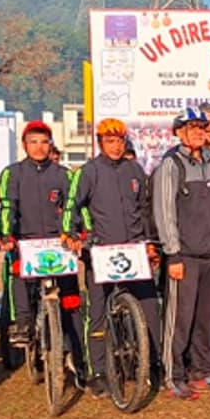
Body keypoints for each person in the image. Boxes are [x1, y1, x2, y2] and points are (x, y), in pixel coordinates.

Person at [65, 118, 164, 390]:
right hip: (101, 250)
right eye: (110, 141)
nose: (116, 146)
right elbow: (72, 205)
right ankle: (98, 372)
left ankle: (152, 364)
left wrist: (150, 242)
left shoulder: (135, 170)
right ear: (100, 143)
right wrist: (72, 234)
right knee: (98, 311)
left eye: (120, 140)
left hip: (133, 249)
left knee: (149, 307)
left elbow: (145, 209)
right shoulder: (88, 171)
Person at [152, 107, 210, 399]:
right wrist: (172, 255)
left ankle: (202, 369)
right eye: (192, 127)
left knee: (206, 318)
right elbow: (164, 213)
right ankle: (172, 374)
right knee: (179, 320)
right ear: (179, 132)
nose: (199, 132)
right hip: (184, 257)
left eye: (202, 127)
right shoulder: (171, 166)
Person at [0, 121, 85, 379]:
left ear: (51, 145)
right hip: (25, 243)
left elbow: (75, 209)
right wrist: (7, 235)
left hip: (59, 244)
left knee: (70, 299)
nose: (39, 147)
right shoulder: (12, 174)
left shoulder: (64, 175)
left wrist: (76, 234)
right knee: (19, 277)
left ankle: (75, 350)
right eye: (33, 141)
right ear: (25, 145)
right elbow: (7, 207)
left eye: (44, 142)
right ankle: (23, 324)